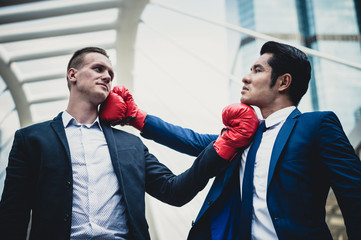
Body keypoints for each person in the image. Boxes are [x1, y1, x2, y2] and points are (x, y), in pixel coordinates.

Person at [100, 41, 361, 240]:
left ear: (283, 82)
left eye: (257, 70)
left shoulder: (317, 125)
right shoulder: (245, 136)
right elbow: (192, 141)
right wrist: (136, 117)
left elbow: (354, 194)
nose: (246, 77)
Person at [0, 47, 259, 240]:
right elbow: (13, 214)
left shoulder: (130, 145)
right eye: (98, 69)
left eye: (111, 74)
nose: (107, 77)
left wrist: (220, 150)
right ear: (73, 75)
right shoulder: (31, 139)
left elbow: (174, 191)